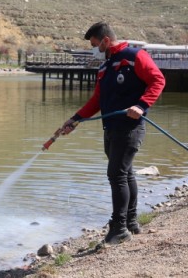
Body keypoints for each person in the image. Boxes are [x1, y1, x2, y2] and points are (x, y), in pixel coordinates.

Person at [61, 22, 165, 244]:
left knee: (116, 174)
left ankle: (118, 228)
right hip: (110, 128)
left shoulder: (135, 56)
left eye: (95, 45)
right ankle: (131, 222)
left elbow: (158, 80)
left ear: (106, 40)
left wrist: (142, 105)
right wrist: (75, 119)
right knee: (125, 174)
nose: (94, 49)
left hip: (130, 129)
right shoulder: (105, 67)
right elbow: (97, 100)